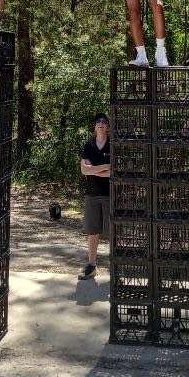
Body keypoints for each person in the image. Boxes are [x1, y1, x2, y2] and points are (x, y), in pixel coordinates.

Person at [79, 114, 111, 280]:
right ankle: (92, 266)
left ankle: (116, 266)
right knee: (93, 232)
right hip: (91, 194)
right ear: (94, 127)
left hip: (108, 195)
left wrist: (94, 170)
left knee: (113, 231)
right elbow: (84, 170)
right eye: (98, 122)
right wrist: (105, 167)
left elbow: (114, 172)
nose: (101, 124)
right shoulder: (88, 145)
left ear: (108, 127)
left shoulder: (113, 145)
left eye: (104, 122)